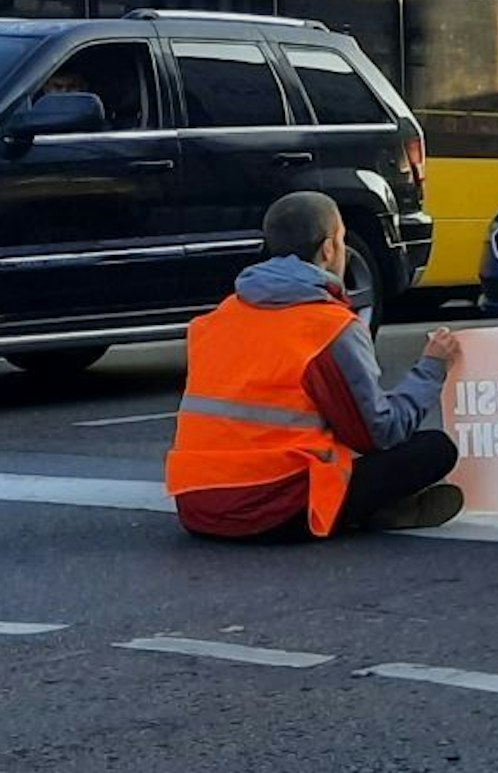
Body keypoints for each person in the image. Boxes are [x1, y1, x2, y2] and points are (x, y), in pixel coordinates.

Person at [166, 192, 465, 541]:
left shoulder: (214, 320)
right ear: (328, 249)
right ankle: (373, 510)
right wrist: (431, 367)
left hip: (197, 507)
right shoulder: (328, 327)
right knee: (434, 449)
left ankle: (380, 509)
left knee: (338, 445)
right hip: (274, 510)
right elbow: (379, 433)